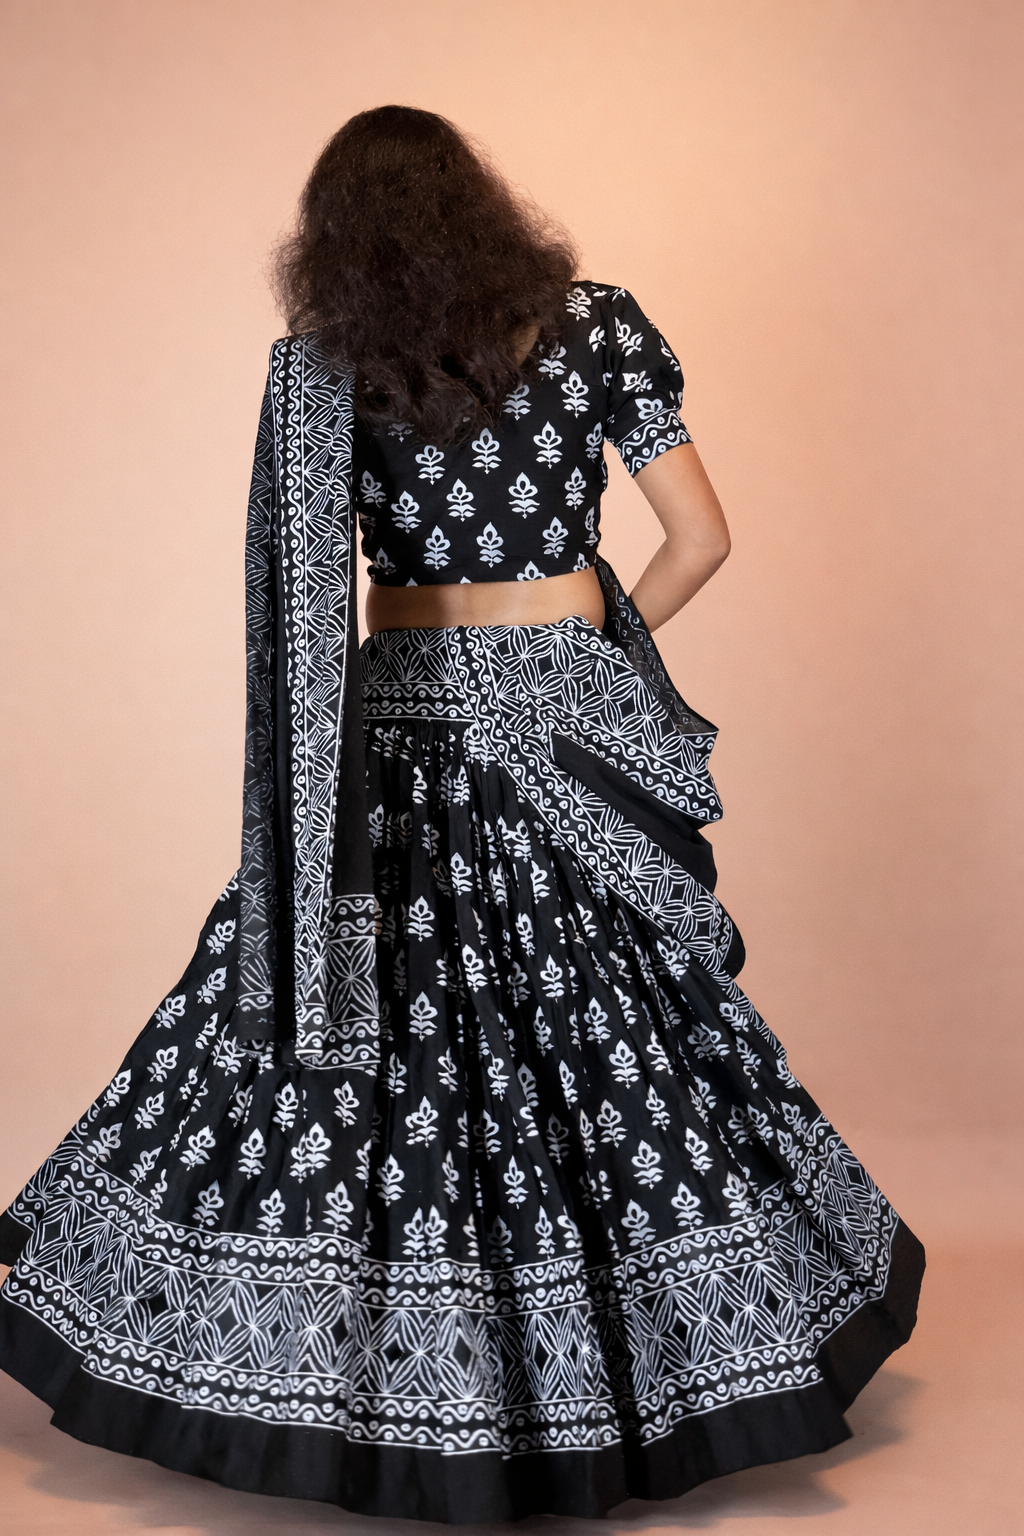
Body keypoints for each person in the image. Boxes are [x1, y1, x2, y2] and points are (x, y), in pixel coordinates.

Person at [0, 106, 924, 1523]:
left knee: (352, 1004)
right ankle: (693, 1355)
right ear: (483, 203)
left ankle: (330, 1379)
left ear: (333, 237)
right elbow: (702, 537)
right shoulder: (599, 325)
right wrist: (596, 654)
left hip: (404, 726)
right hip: (567, 709)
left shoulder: (327, 365)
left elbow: (304, 602)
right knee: (615, 1019)